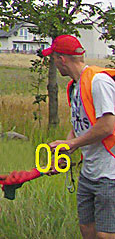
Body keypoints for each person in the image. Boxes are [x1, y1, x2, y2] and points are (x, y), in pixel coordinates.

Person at [45, 34, 115, 239]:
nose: (55, 64)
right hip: (89, 171)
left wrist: (73, 142)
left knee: (105, 234)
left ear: (62, 59)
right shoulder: (74, 86)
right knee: (87, 229)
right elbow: (79, 127)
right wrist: (65, 154)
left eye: (54, 59)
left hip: (110, 172)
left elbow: (107, 127)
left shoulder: (98, 81)